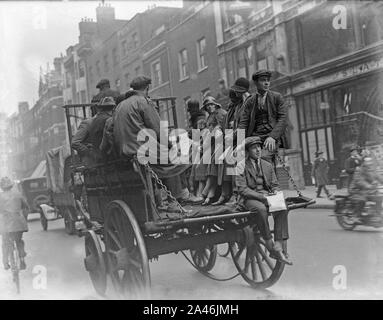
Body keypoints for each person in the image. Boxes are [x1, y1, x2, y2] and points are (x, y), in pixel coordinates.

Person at [112, 75, 200, 210]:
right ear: (147, 88)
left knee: (168, 155)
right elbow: (157, 128)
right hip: (142, 149)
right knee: (177, 155)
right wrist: (170, 145)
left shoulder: (120, 106)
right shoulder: (142, 102)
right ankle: (177, 198)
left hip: (126, 151)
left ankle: (176, 195)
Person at [235, 136, 292, 265]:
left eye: (259, 147)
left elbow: (275, 184)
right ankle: (268, 240)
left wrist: (276, 192)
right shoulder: (240, 166)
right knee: (260, 209)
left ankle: (278, 242)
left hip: (266, 196)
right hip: (248, 199)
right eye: (254, 148)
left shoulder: (267, 165)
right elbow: (243, 190)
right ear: (248, 151)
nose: (258, 150)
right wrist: (262, 197)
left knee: (283, 206)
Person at [237, 70, 288, 169]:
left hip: (271, 136)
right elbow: (243, 123)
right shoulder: (250, 101)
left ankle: (270, 183)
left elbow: (283, 119)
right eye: (263, 80)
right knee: (239, 159)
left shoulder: (277, 97)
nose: (266, 83)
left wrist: (273, 137)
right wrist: (239, 143)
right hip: (255, 137)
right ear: (256, 83)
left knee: (264, 160)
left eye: (268, 80)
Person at [213, 77, 251, 205]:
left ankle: (237, 195)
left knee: (236, 160)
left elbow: (245, 125)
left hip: (247, 138)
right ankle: (228, 194)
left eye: (239, 92)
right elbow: (227, 125)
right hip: (236, 138)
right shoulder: (234, 107)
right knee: (225, 160)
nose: (236, 95)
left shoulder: (248, 103)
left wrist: (233, 136)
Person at [200, 96, 227, 205]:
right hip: (213, 144)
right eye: (207, 106)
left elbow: (222, 131)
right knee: (200, 164)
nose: (210, 107)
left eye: (211, 104)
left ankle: (207, 192)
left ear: (215, 105)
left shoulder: (220, 113)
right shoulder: (210, 116)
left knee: (212, 161)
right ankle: (205, 192)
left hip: (222, 143)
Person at [0, 177, 29, 270]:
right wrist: (25, 218)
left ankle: (5, 262)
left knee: (5, 243)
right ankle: (22, 259)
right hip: (18, 223)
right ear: (11, 185)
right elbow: (26, 207)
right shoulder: (18, 194)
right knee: (19, 241)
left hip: (6, 225)